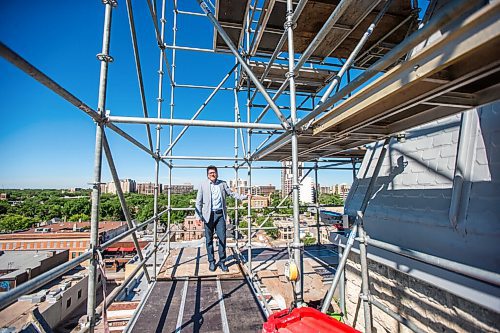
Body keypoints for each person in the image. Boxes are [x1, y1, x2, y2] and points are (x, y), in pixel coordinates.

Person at [195, 165, 249, 272]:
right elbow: (198, 202)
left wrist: (244, 197)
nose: (212, 174)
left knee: (222, 239)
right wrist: (198, 216)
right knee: (209, 240)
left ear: (217, 173)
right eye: (210, 173)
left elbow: (232, 194)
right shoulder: (202, 185)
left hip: (220, 215)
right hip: (208, 216)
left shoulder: (222, 183)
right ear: (207, 174)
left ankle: (222, 262)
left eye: (214, 172)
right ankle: (211, 261)